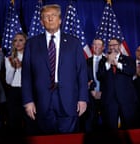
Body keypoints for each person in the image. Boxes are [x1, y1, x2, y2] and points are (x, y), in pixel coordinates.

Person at [21, 4, 88, 135]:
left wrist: (83, 98)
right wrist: (28, 101)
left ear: (60, 20)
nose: (50, 19)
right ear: (41, 22)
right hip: (42, 102)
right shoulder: (31, 44)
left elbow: (82, 73)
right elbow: (26, 75)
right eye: (46, 16)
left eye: (53, 15)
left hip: (69, 101)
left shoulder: (74, 43)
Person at [97, 38, 137, 129]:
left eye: (114, 45)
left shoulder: (128, 59)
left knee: (128, 127)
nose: (112, 47)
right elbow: (100, 76)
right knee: (110, 128)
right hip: (110, 100)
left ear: (119, 46)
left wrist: (117, 64)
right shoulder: (103, 61)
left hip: (126, 100)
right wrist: (108, 63)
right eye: (110, 45)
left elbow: (132, 71)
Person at [4, 32, 27, 136]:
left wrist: (24, 66)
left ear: (26, 42)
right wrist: (13, 68)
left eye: (21, 40)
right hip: (14, 92)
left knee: (30, 120)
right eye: (15, 40)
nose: (17, 43)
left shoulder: (31, 57)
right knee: (14, 122)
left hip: (29, 91)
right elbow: (8, 81)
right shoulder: (8, 59)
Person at [83, 38, 106, 132]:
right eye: (94, 44)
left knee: (107, 125)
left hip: (105, 96)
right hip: (90, 97)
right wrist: (90, 89)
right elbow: (82, 78)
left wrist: (102, 92)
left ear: (103, 47)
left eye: (99, 44)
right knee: (90, 124)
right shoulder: (86, 61)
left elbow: (111, 80)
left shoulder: (108, 61)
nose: (96, 46)